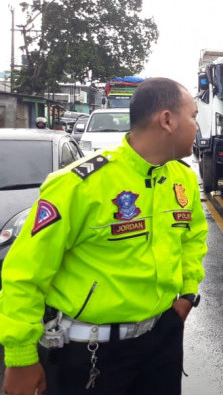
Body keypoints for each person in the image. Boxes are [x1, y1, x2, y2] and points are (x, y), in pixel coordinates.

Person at [0, 77, 208, 395]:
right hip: (89, 354)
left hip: (161, 343)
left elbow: (192, 238)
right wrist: (20, 358)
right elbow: (24, 274)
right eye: (192, 116)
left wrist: (186, 295)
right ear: (167, 120)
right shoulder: (78, 185)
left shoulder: (182, 179)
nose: (197, 126)